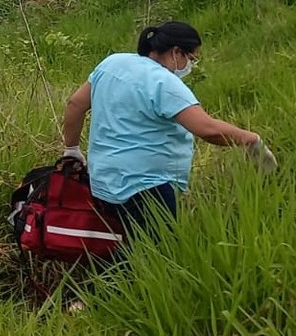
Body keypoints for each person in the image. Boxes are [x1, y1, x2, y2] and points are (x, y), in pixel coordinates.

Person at [60, 22, 276, 240]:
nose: (190, 65)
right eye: (191, 58)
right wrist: (251, 139)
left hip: (103, 181)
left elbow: (75, 104)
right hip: (146, 187)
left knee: (122, 245)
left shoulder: (112, 63)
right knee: (156, 254)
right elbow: (207, 129)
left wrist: (72, 149)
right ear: (176, 52)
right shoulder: (163, 82)